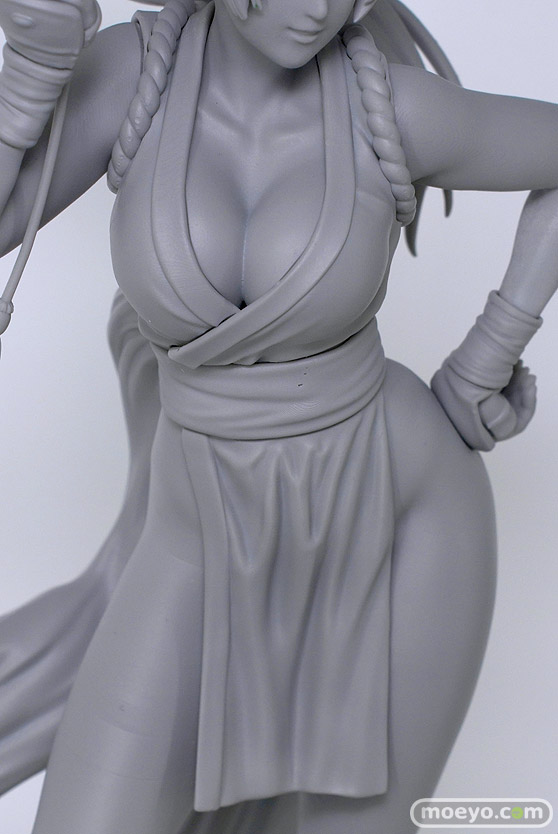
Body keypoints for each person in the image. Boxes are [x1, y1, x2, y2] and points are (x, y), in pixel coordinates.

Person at [0, 1, 557, 831]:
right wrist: (27, 80)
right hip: (198, 529)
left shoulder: (389, 104)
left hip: (399, 509)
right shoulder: (139, 74)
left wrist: (490, 351)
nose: (321, 8)